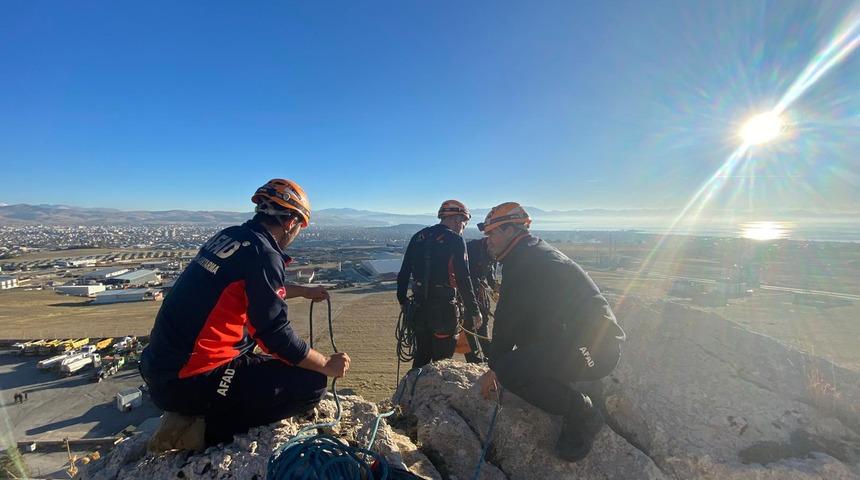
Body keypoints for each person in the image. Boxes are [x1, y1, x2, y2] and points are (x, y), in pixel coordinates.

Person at [140, 179, 351, 448]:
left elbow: (249, 288)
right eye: (299, 227)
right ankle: (199, 431)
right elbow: (275, 335)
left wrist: (301, 291)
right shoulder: (264, 254)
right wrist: (325, 364)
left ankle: (205, 406)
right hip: (189, 381)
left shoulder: (232, 236)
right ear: (291, 222)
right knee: (311, 382)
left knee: (251, 345)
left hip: (162, 369)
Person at [475, 202, 626, 462]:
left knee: (510, 370)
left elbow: (507, 319)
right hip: (584, 341)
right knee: (516, 359)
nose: (488, 240)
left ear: (511, 230)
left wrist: (497, 367)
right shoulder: (531, 252)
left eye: (492, 233)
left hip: (595, 350)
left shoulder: (524, 259)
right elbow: (524, 316)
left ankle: (584, 413)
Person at [396, 200, 483, 369]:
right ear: (457, 219)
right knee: (441, 363)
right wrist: (474, 310)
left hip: (418, 308)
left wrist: (403, 301)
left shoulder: (419, 237)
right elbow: (463, 278)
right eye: (464, 223)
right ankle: (433, 393)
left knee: (421, 356)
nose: (463, 227)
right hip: (444, 311)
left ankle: (412, 392)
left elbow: (404, 272)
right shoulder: (455, 240)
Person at [463, 238, 497, 363]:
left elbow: (490, 275)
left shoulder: (493, 251)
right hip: (465, 295)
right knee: (468, 326)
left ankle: (489, 357)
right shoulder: (471, 249)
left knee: (483, 325)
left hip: (480, 295)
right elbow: (464, 276)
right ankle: (473, 359)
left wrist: (497, 289)